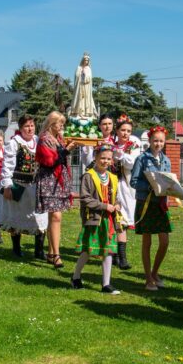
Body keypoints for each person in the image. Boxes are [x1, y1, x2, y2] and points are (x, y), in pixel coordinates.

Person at [71, 143, 123, 294]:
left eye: (108, 159)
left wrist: (117, 205)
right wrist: (104, 206)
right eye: (102, 158)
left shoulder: (113, 177)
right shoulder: (88, 176)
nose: (105, 161)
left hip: (109, 220)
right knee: (88, 249)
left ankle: (106, 284)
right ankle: (76, 276)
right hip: (94, 218)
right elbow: (86, 198)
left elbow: (116, 197)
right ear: (95, 157)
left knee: (109, 250)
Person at [0, 115, 48, 258]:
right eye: (26, 126)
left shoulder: (39, 141)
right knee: (16, 216)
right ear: (20, 128)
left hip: (36, 186)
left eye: (32, 125)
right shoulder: (14, 143)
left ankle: (39, 250)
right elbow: (7, 166)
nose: (30, 129)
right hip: (19, 186)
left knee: (40, 216)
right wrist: (7, 186)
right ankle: (16, 248)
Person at [130, 125, 173, 291]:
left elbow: (168, 181)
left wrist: (169, 192)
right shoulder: (142, 159)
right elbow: (133, 182)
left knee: (164, 241)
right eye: (155, 140)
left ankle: (155, 272)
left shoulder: (167, 160)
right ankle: (148, 278)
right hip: (146, 203)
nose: (158, 143)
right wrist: (151, 186)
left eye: (161, 141)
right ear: (149, 140)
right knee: (147, 242)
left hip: (160, 204)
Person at [35, 111, 77, 269]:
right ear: (52, 123)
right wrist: (66, 150)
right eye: (60, 123)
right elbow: (49, 161)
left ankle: (52, 252)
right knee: (56, 216)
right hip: (49, 180)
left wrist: (66, 147)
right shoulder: (45, 138)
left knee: (56, 217)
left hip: (58, 180)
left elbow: (59, 157)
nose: (62, 126)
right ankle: (56, 254)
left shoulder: (58, 138)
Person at [111, 113, 142, 270]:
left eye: (128, 131)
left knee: (122, 220)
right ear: (117, 131)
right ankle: (115, 255)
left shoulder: (133, 145)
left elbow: (132, 163)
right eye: (123, 130)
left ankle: (121, 257)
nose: (125, 133)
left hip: (125, 187)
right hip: (110, 185)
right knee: (113, 220)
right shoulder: (111, 143)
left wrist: (120, 155)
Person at [69, 53, 97, 120]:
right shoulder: (78, 68)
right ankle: (78, 112)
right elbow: (76, 77)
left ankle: (86, 113)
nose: (86, 61)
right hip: (79, 87)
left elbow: (89, 78)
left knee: (86, 99)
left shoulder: (89, 69)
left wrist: (85, 75)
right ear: (82, 60)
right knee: (79, 99)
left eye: (87, 60)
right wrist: (81, 74)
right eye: (85, 60)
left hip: (86, 87)